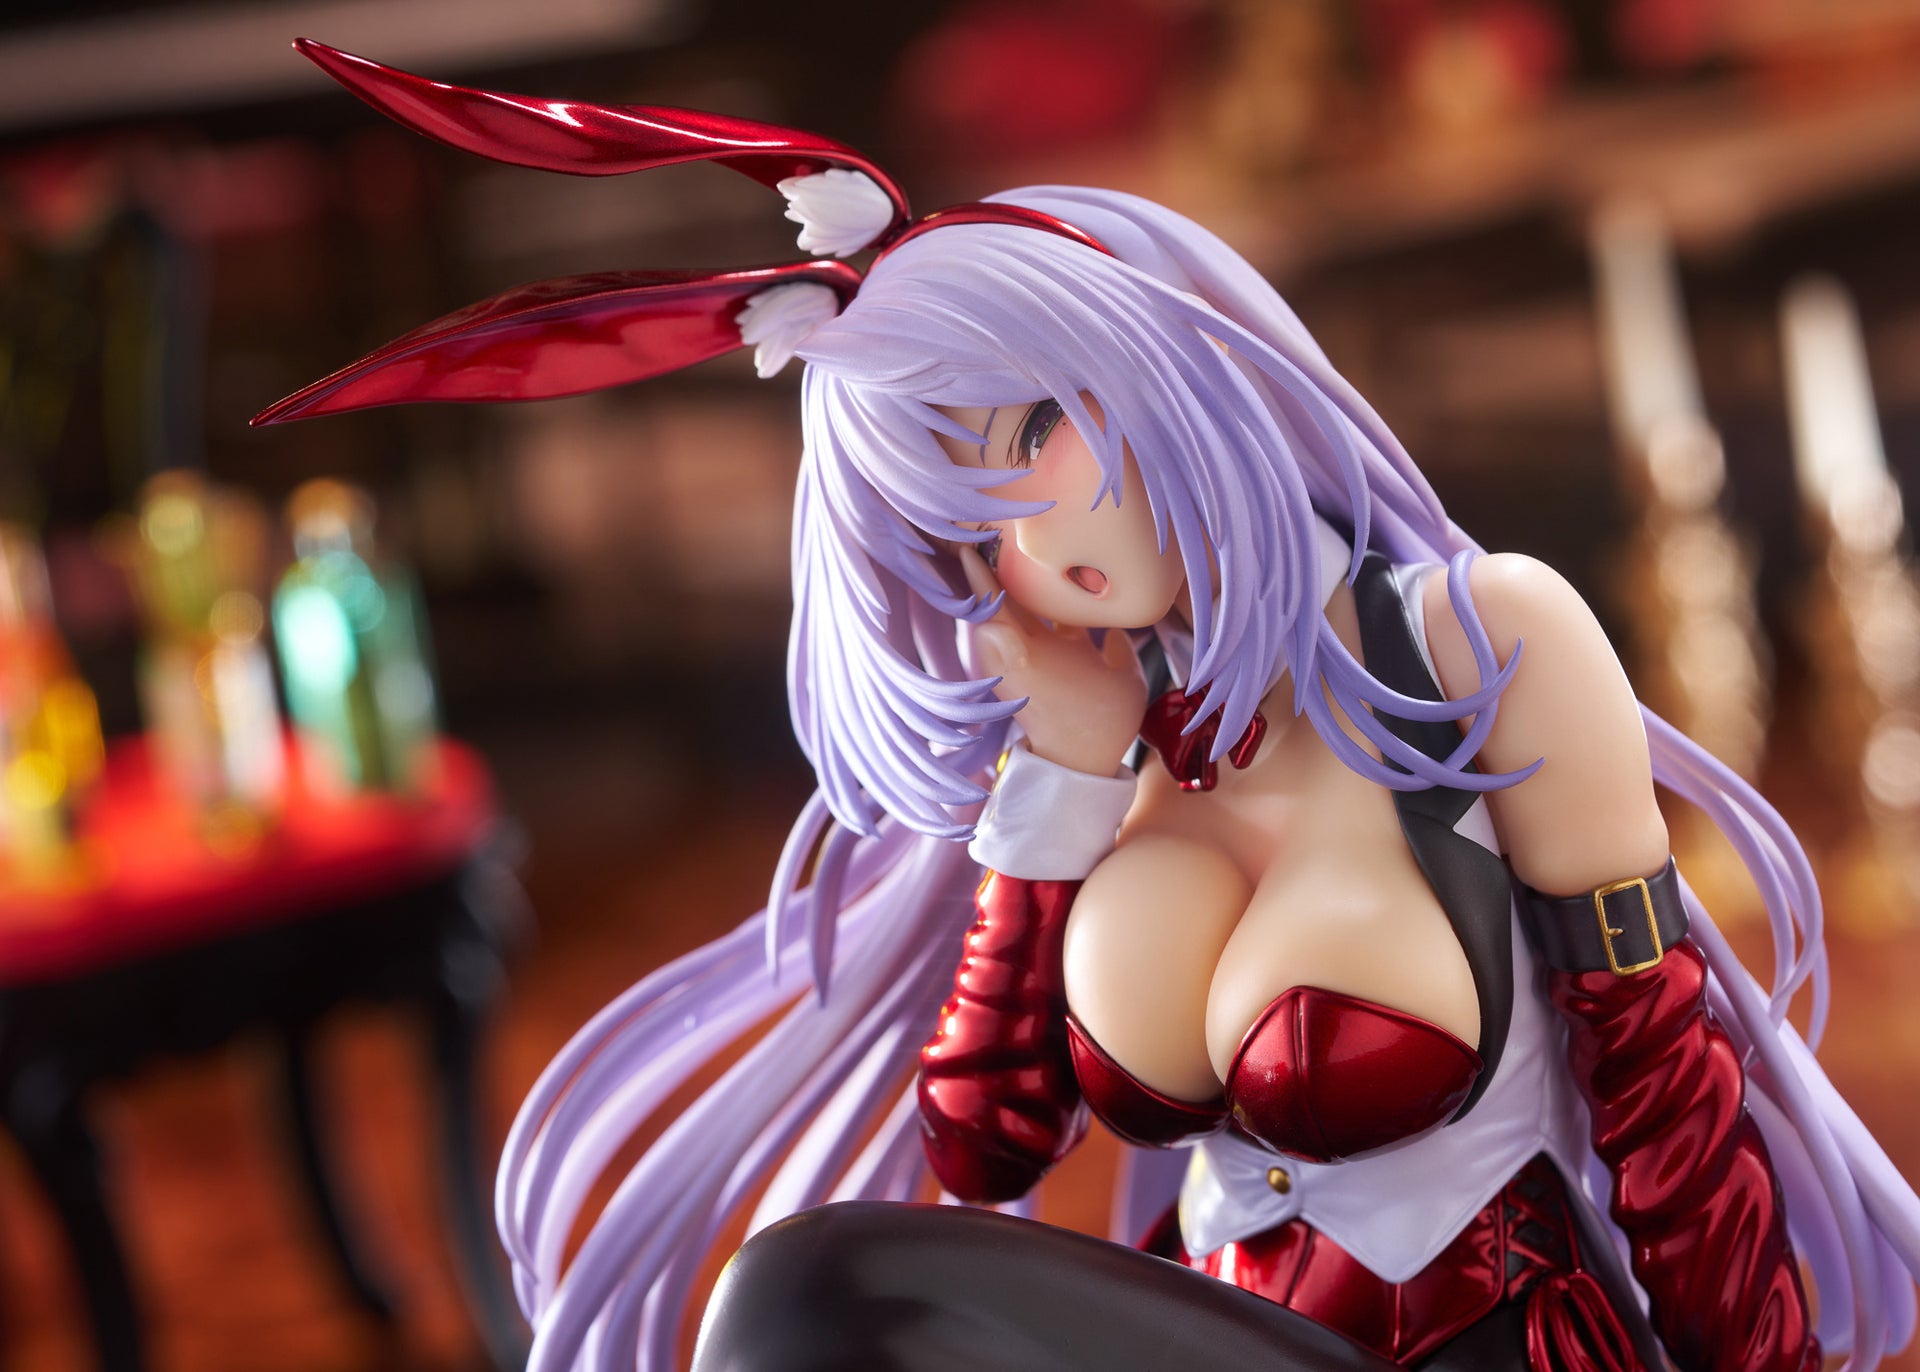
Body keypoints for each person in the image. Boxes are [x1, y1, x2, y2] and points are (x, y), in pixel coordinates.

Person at [258, 41, 1920, 1372]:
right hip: (1213, 1331)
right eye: (964, 520)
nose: (1032, 541)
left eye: (1038, 433)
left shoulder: (1475, 641)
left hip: (1481, 1338)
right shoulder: (1107, 751)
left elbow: (1666, 1090)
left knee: (804, 1297)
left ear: (1159, 369)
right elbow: (986, 1147)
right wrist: (1054, 780)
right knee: (806, 1299)